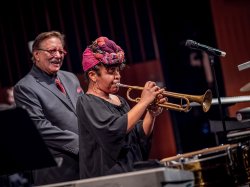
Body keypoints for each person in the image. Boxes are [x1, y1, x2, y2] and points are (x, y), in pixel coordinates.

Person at [76, 36, 166, 179]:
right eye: (111, 71)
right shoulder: (86, 102)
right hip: (108, 178)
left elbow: (137, 136)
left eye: (118, 71)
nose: (118, 76)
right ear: (93, 75)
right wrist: (143, 103)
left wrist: (151, 113)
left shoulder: (120, 101)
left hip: (131, 172)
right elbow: (113, 131)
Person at [14, 31, 84, 185]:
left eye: (61, 51)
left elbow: (84, 112)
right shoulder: (25, 87)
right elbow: (39, 127)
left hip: (86, 163)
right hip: (57, 169)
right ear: (37, 54)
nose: (58, 55)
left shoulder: (70, 77)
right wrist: (81, 144)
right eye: (52, 51)